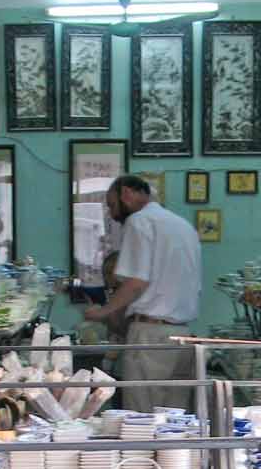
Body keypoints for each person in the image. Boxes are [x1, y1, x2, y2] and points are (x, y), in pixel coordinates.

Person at [84, 175, 201, 413]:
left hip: (151, 335)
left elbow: (136, 283)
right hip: (184, 333)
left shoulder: (139, 221)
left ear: (126, 193)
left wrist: (102, 312)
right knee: (175, 421)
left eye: (112, 205)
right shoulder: (182, 225)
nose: (112, 213)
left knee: (142, 418)